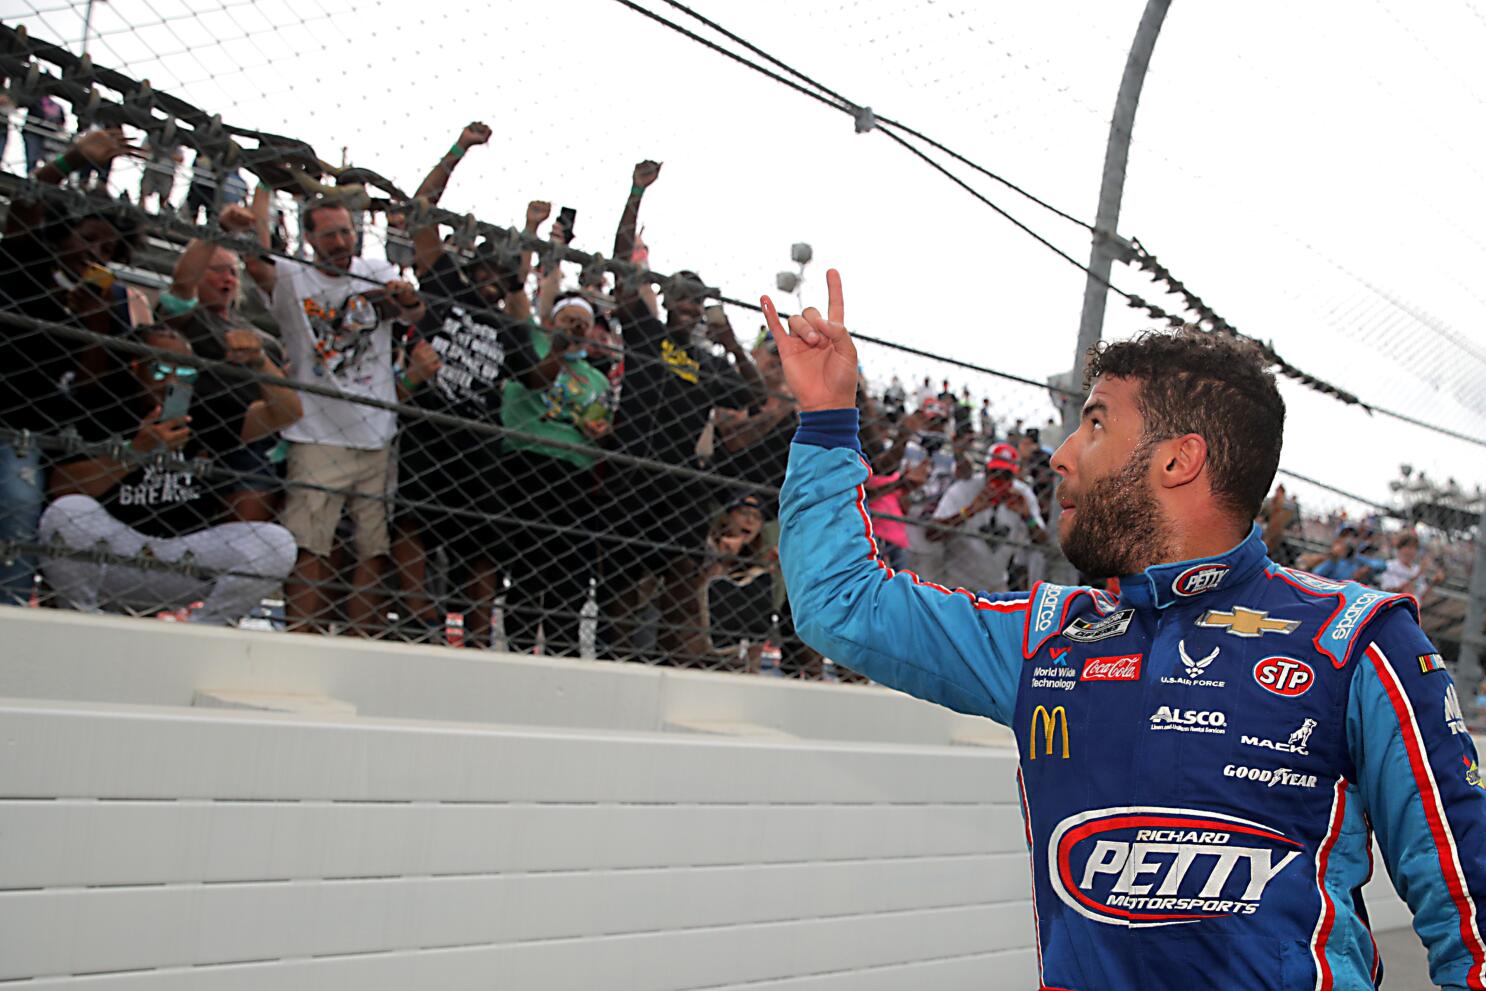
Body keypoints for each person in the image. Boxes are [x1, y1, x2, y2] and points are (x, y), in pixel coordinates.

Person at [766, 270, 1486, 990]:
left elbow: (1472, 922)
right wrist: (828, 420)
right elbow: (841, 602)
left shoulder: (1354, 641)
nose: (1062, 452)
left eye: (1097, 421)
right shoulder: (1047, 639)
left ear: (1180, 459)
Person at [242, 197, 441, 634]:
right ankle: (301, 634)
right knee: (310, 543)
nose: (340, 242)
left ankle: (359, 639)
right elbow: (256, 264)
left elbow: (412, 309)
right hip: (315, 432)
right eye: (329, 234)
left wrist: (404, 295)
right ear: (309, 238)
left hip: (376, 431)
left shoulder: (373, 270)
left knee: (374, 547)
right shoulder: (293, 277)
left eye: (346, 232)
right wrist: (257, 201)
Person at [599, 160, 763, 659]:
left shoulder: (708, 363)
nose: (690, 304)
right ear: (668, 299)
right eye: (683, 296)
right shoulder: (645, 332)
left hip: (679, 483)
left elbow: (755, 396)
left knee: (679, 585)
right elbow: (622, 263)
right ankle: (616, 662)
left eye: (698, 299)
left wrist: (733, 343)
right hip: (631, 471)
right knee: (621, 586)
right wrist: (635, 194)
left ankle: (676, 664)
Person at [38, 326, 299, 624]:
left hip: (184, 555)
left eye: (186, 372)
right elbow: (61, 488)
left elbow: (286, 413)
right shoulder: (103, 409)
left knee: (275, 542)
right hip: (116, 551)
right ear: (136, 368)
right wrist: (134, 453)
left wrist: (260, 361)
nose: (173, 380)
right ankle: (80, 624)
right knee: (68, 513)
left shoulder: (203, 411)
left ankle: (204, 631)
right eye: (161, 369)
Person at [0, 128, 142, 605]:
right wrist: (72, 160)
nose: (95, 253)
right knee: (19, 505)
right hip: (7, 421)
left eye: (108, 250)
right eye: (88, 239)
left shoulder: (107, 303)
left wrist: (91, 326)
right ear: (65, 234)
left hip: (47, 429)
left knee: (32, 512)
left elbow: (88, 385)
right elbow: (24, 206)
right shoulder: (28, 261)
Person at [929, 442, 1046, 592]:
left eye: (1006, 476)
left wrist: (1026, 516)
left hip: (995, 584)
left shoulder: (1022, 494)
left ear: (1015, 475)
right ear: (985, 471)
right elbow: (932, 533)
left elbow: (1042, 541)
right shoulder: (965, 488)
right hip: (956, 583)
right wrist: (969, 511)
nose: (1000, 481)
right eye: (995, 473)